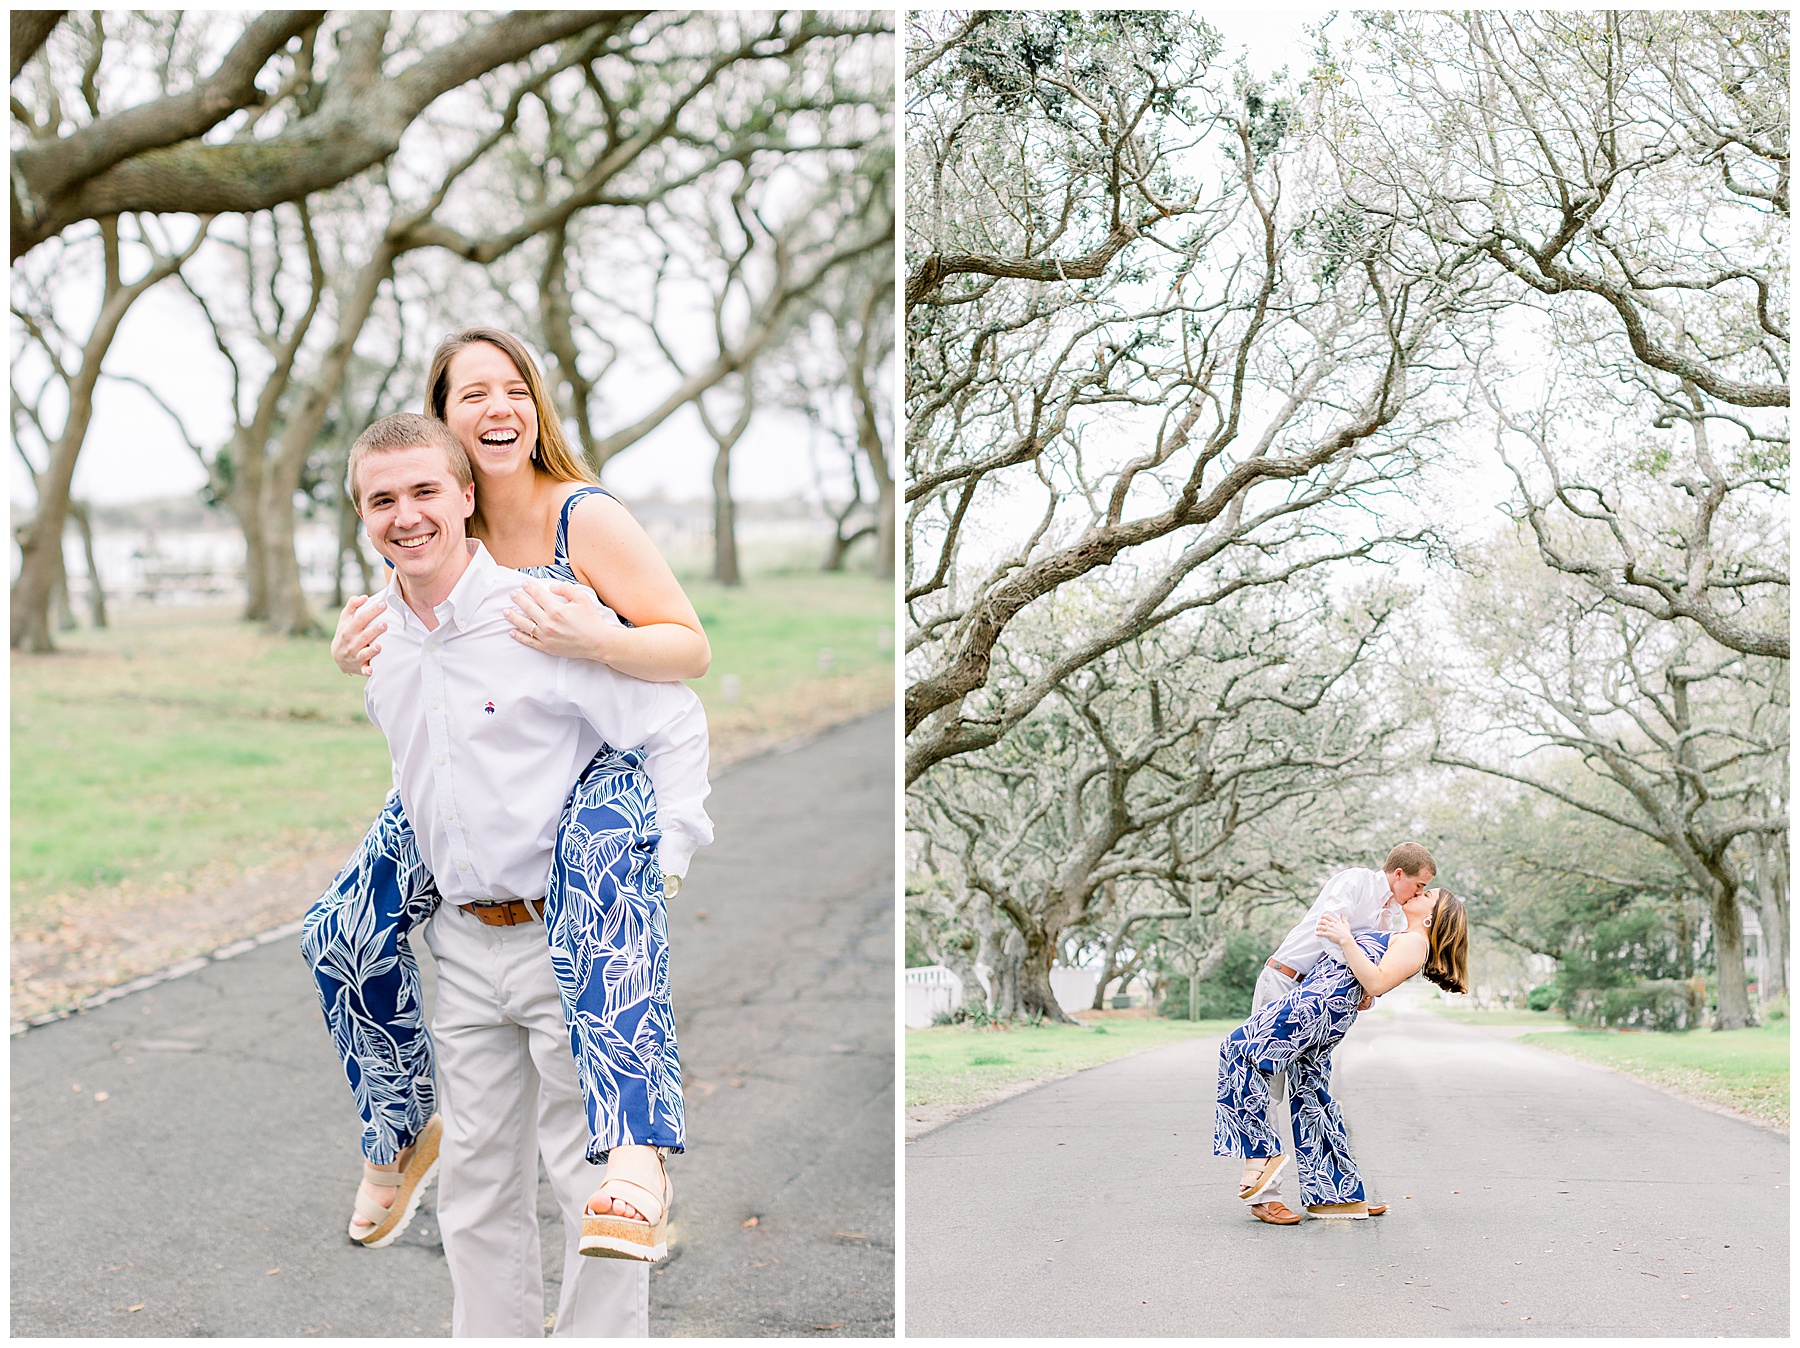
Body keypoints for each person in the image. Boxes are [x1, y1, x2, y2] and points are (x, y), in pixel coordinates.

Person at [302, 328, 708, 1253]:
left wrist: (593, 639)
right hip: (479, 767)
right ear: (441, 428)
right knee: (339, 930)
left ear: (537, 405)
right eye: (471, 395)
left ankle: (636, 1152)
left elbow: (688, 653)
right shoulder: (438, 514)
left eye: (514, 389)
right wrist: (351, 650)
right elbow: (416, 664)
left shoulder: (582, 517)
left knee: (601, 862)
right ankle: (398, 1134)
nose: (498, 410)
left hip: (595, 746)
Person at [1215, 884, 1470, 1220]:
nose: (1417, 895)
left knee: (1239, 1048)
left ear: (1433, 918)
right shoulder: (1403, 936)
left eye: (1426, 896)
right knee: (1311, 1094)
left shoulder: (1415, 943)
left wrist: (1346, 939)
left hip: (1315, 1006)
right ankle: (1336, 1194)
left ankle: (1261, 1154)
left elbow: (1377, 982)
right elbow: (1368, 978)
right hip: (1324, 1004)